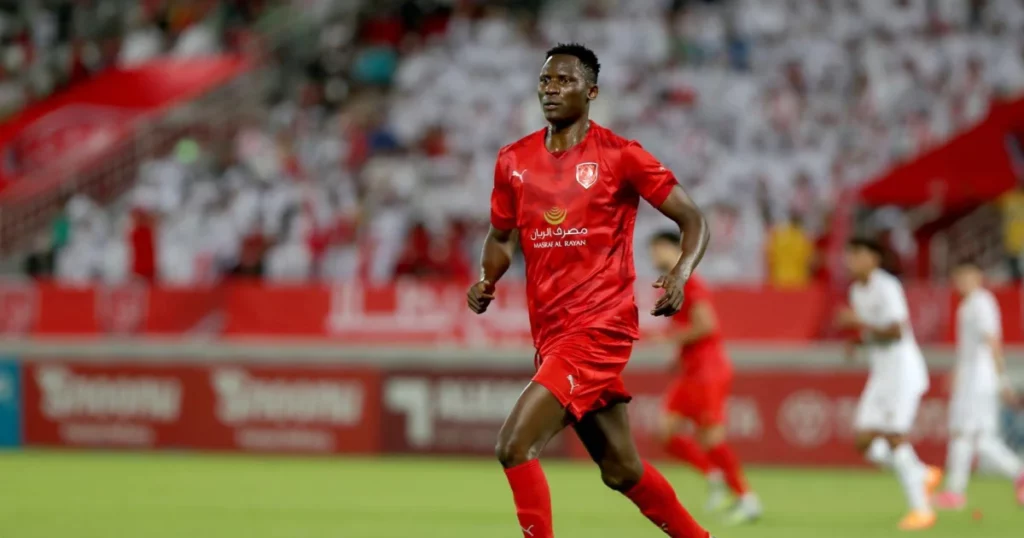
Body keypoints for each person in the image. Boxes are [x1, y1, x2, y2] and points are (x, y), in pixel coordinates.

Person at [467, 43, 713, 538]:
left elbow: (692, 218)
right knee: (622, 470)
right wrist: (487, 277)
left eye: (565, 81)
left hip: (600, 327)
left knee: (514, 446)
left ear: (592, 91)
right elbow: (500, 235)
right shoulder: (513, 160)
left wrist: (682, 271)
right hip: (552, 334)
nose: (552, 90)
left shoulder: (622, 156)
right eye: (545, 81)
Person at [649, 231, 762, 525]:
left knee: (711, 438)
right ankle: (713, 475)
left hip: (708, 370)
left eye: (658, 249)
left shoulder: (690, 282)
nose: (654, 256)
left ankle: (747, 499)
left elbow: (707, 325)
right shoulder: (672, 285)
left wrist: (672, 339)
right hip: (691, 370)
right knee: (666, 432)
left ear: (676, 249)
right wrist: (678, 357)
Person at [835, 237, 942, 531]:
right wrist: (857, 341)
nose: (851, 261)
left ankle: (922, 510)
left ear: (874, 259)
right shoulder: (857, 290)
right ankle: (920, 473)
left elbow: (896, 331)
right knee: (864, 441)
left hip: (902, 372)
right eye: (849, 255)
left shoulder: (887, 287)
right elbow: (874, 332)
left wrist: (858, 323)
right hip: (882, 374)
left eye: (857, 254)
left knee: (895, 436)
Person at [933, 261, 1024, 509]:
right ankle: (1018, 473)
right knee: (981, 440)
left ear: (978, 276)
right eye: (957, 277)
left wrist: (1001, 379)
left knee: (963, 433)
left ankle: (955, 492)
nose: (961, 282)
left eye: (966, 276)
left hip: (980, 379)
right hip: (971, 376)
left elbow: (992, 341)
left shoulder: (982, 303)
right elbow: (969, 349)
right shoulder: (968, 305)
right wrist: (957, 371)